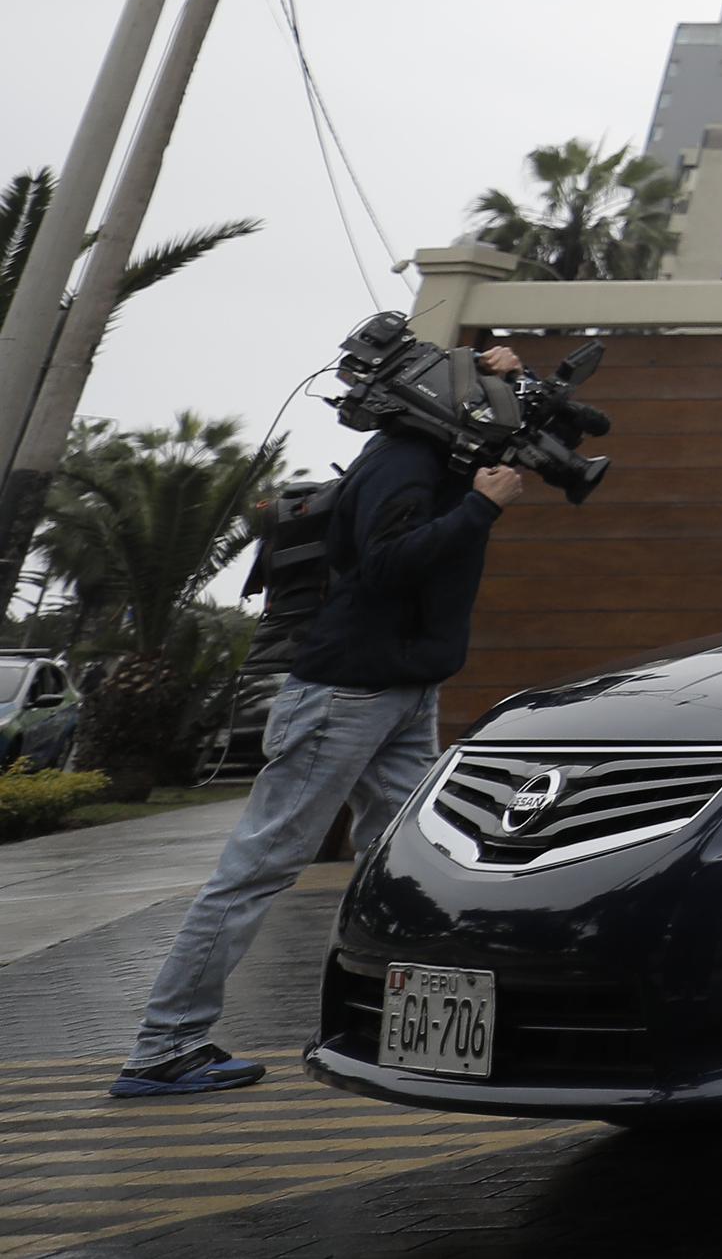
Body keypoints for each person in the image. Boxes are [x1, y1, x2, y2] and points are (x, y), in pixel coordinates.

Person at [112, 350, 532, 1102]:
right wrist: (481, 508)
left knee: (407, 863)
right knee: (259, 867)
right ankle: (163, 1046)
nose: (488, 412)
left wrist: (497, 363)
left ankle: (414, 1030)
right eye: (476, 397)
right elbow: (385, 564)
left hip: (403, 689)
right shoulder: (401, 460)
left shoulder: (437, 452)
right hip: (345, 693)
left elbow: (508, 420)